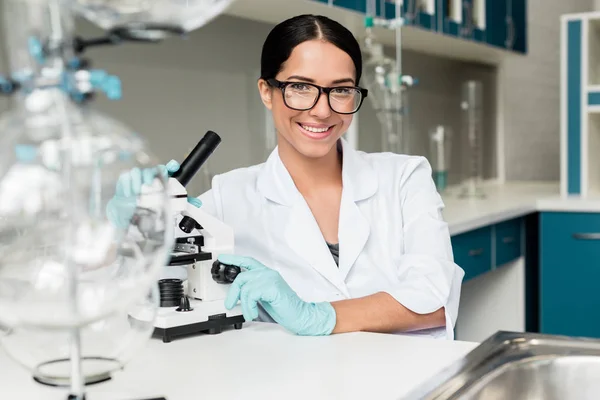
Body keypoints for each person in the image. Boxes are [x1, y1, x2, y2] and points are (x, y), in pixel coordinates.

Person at [107, 14, 465, 339]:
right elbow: (136, 295)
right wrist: (131, 228)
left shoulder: (403, 177)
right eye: (300, 87)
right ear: (267, 91)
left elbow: (434, 302)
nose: (322, 110)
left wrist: (318, 316)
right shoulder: (229, 197)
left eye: (341, 90)